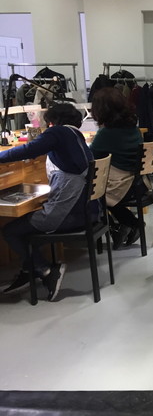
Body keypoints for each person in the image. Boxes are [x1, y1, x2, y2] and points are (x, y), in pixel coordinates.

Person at [0, 103, 94, 301]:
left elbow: (28, 150)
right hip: (87, 211)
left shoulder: (58, 133)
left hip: (69, 215)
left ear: (53, 121)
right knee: (26, 219)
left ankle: (46, 270)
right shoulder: (76, 136)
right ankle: (29, 269)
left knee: (11, 231)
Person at [89, 87, 144, 250]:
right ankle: (125, 225)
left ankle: (124, 225)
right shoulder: (133, 128)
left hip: (121, 186)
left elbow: (90, 157)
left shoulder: (106, 133)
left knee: (90, 192)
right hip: (137, 183)